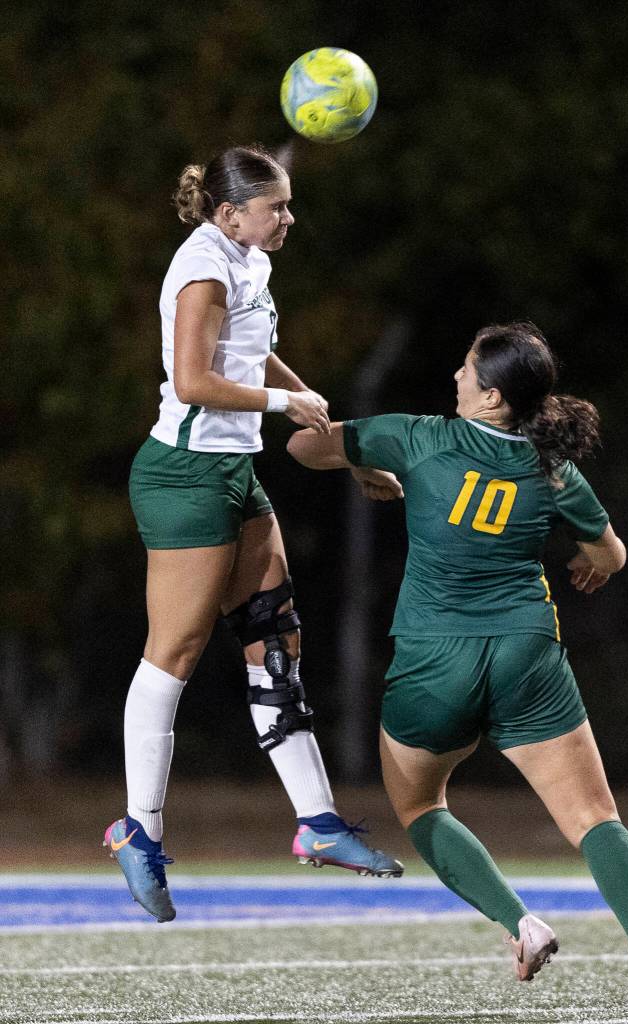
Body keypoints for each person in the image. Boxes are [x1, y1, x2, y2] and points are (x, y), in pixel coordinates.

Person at [287, 321, 628, 1017]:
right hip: (523, 653)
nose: (454, 376)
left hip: (434, 657)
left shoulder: (418, 437)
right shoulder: (551, 467)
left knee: (420, 806)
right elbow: (611, 556)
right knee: (594, 818)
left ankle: (521, 923)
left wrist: (362, 464)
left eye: (464, 370)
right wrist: (579, 561)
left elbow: (304, 445)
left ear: (489, 399)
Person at [104, 145, 403, 924]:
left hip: (231, 471)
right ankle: (139, 830)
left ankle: (318, 824)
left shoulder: (247, 259)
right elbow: (196, 378)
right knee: (171, 655)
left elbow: (249, 351)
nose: (289, 218)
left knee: (274, 644)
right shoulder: (203, 265)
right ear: (229, 212)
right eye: (276, 207)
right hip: (185, 476)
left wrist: (321, 417)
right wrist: (281, 408)